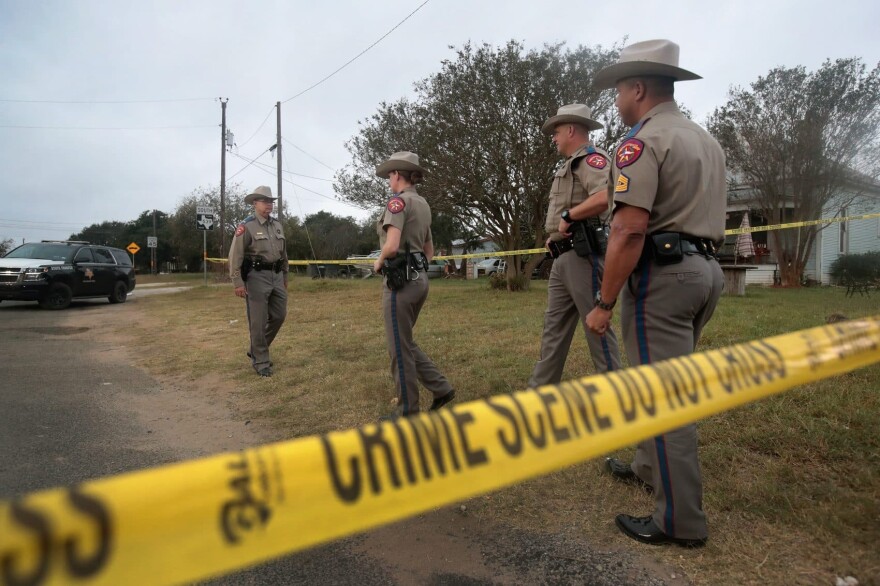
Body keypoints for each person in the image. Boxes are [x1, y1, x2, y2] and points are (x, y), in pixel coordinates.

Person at [585, 40, 726, 548]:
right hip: (706, 273)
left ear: (638, 88)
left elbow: (627, 231)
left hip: (663, 281)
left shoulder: (638, 144)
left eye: (620, 88)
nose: (617, 99)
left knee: (666, 400)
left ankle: (679, 522)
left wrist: (602, 304)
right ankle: (649, 466)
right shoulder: (703, 138)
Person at [528, 104, 622, 389]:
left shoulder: (591, 160)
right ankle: (538, 397)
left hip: (585, 256)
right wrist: (554, 235)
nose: (554, 138)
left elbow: (608, 195)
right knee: (553, 332)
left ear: (570, 129)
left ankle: (617, 398)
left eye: (556, 132)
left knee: (598, 330)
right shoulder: (571, 164)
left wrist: (569, 216)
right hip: (564, 257)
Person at [372, 151, 455, 416]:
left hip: (400, 283)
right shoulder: (422, 204)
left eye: (389, 175)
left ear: (397, 174)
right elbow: (429, 250)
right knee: (404, 340)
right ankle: (441, 388)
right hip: (419, 280)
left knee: (398, 347)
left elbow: (393, 245)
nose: (388, 179)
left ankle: (407, 410)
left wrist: (379, 261)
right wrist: (417, 266)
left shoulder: (397, 203)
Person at [228, 186, 289, 377]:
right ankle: (261, 361)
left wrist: (285, 276)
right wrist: (237, 282)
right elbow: (235, 255)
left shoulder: (277, 225)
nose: (269, 205)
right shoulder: (247, 226)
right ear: (255, 203)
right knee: (258, 321)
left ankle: (256, 348)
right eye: (264, 201)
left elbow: (283, 253)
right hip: (256, 278)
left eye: (271, 201)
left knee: (279, 316)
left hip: (276, 276)